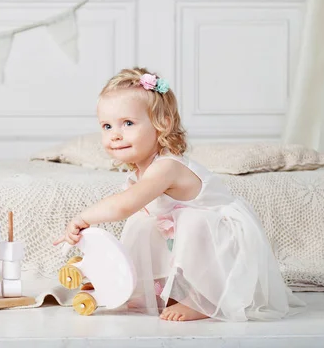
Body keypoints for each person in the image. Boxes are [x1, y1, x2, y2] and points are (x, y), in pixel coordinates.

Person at [53, 67, 305, 321]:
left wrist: (83, 217)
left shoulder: (167, 167)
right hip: (183, 235)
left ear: (162, 125)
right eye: (107, 126)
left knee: (191, 222)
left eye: (128, 123)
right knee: (144, 223)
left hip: (223, 241)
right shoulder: (137, 176)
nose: (115, 135)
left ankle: (204, 299)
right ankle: (156, 290)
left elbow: (122, 206)